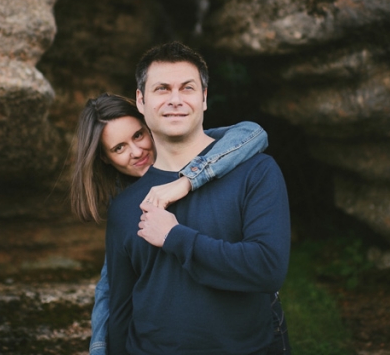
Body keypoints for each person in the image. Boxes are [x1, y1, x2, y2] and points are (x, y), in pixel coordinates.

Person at [106, 41, 291, 354]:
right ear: (141, 100)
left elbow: (268, 269)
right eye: (162, 89)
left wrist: (175, 237)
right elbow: (121, 308)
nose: (175, 100)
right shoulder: (125, 205)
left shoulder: (256, 172)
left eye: (187, 88)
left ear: (204, 98)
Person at [69, 93, 271, 354]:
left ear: (150, 125)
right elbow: (112, 294)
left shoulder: (198, 151)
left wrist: (186, 181)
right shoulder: (123, 204)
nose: (136, 151)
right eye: (119, 148)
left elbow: (252, 132)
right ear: (105, 159)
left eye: (138, 135)